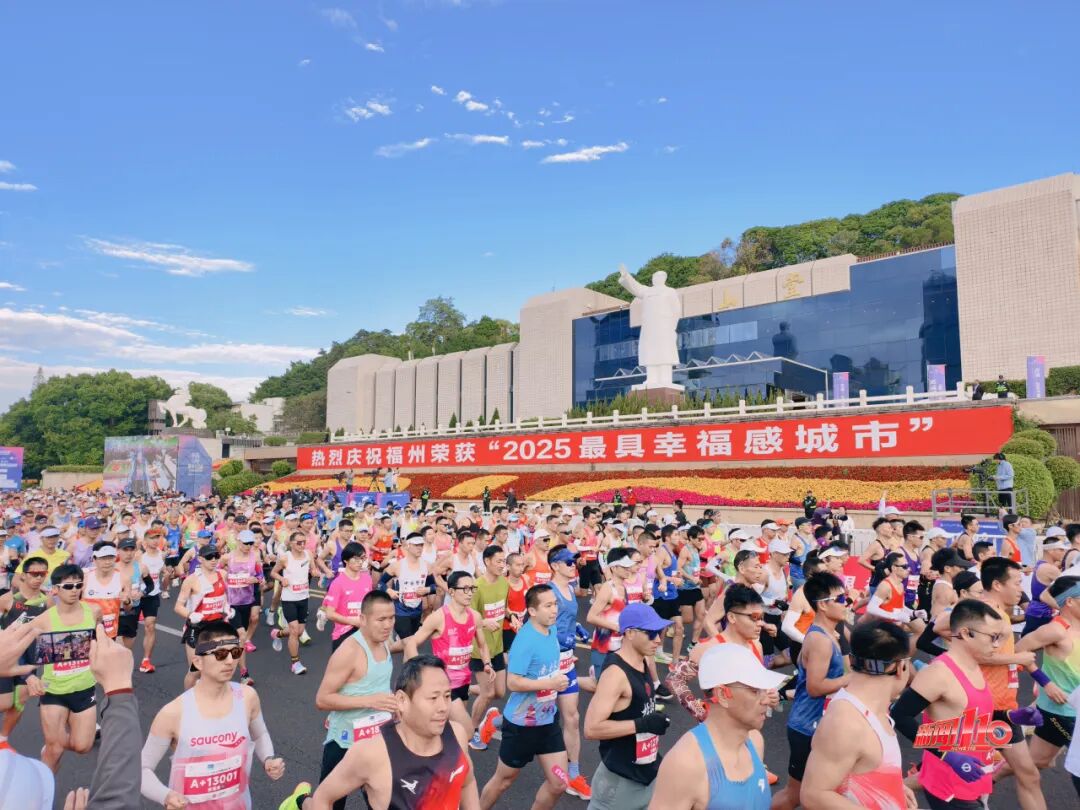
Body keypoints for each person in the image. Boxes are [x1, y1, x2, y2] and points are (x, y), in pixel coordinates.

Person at [283, 655, 480, 810]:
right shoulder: (372, 753)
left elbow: (467, 782)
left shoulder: (457, 735)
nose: (443, 707)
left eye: (447, 696)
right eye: (433, 698)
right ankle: (300, 801)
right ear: (402, 701)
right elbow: (323, 798)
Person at [141, 620, 285, 807]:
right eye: (220, 654)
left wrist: (268, 759)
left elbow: (260, 735)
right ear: (198, 662)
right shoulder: (173, 713)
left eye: (235, 653)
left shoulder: (247, 697)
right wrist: (166, 796)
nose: (230, 661)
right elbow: (142, 769)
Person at [891, 599, 1005, 810]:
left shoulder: (972, 666)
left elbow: (971, 716)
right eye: (993, 637)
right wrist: (947, 755)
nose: (997, 645)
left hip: (974, 776)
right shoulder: (940, 673)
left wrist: (1012, 717)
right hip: (949, 783)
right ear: (965, 633)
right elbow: (900, 715)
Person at [648, 642, 784, 810]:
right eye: (755, 690)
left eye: (765, 689)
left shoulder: (755, 741)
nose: (766, 699)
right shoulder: (686, 764)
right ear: (722, 695)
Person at [800, 619, 915, 809]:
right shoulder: (846, 722)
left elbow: (862, 768)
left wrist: (895, 786)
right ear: (900, 668)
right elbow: (813, 794)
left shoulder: (871, 708)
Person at [479, 585, 569, 810]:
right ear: (532, 611)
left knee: (558, 783)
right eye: (548, 606)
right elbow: (513, 682)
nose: (554, 610)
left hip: (548, 721)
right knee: (503, 781)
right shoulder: (525, 641)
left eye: (555, 604)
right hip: (521, 726)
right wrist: (550, 683)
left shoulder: (551, 629)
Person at [314, 590, 404, 810]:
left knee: (384, 803)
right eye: (381, 619)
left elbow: (378, 684)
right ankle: (300, 801)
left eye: (391, 618)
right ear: (363, 619)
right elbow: (322, 699)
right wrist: (370, 701)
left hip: (377, 739)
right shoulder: (349, 651)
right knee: (328, 803)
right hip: (345, 741)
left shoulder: (384, 640)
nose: (388, 625)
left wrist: (393, 706)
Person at [773, 573, 851, 810]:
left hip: (821, 724)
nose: (846, 603)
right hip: (807, 726)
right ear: (823, 605)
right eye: (841, 599)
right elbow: (815, 687)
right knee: (795, 795)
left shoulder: (831, 634)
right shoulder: (820, 640)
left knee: (818, 794)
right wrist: (851, 679)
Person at [583, 603, 672, 810]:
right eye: (651, 634)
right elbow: (591, 728)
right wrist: (643, 724)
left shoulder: (642, 662)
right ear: (630, 633)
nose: (658, 640)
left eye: (659, 632)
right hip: (619, 784)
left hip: (644, 776)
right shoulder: (616, 674)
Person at [977, 556, 1045, 810]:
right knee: (961, 773)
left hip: (1005, 708)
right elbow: (976, 654)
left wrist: (1018, 665)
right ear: (997, 584)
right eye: (1016, 583)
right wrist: (1017, 658)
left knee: (1028, 774)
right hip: (983, 708)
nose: (1021, 589)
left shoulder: (1000, 614)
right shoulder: (984, 613)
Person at [30, 563, 102, 772]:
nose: (74, 590)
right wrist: (29, 676)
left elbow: (102, 641)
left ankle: (53, 744)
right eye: (68, 586)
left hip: (84, 688)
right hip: (54, 691)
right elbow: (21, 649)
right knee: (54, 751)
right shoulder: (43, 620)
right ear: (55, 589)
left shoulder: (94, 611)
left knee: (83, 746)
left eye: (78, 585)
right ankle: (44, 789)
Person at [405, 570, 493, 737]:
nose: (470, 593)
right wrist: (420, 672)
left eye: (472, 588)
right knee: (466, 732)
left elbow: (482, 646)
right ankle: (489, 724)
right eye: (465, 589)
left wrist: (487, 663)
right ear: (451, 591)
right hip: (444, 684)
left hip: (464, 681)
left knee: (452, 731)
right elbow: (412, 643)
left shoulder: (475, 617)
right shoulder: (439, 617)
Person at [1015, 575, 1080, 771]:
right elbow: (1018, 651)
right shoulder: (1055, 630)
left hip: (1068, 710)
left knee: (1038, 761)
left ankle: (991, 777)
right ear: (1070, 601)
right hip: (1064, 710)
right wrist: (1046, 683)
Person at [547, 544, 594, 799]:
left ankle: (573, 774)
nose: (573, 565)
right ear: (555, 566)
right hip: (546, 665)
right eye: (568, 562)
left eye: (573, 562)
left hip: (566, 662)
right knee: (529, 719)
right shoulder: (548, 592)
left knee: (572, 717)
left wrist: (576, 628)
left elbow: (565, 618)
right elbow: (537, 625)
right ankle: (495, 721)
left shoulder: (570, 589)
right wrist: (557, 638)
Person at [0, 555, 49, 747]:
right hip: (7, 656)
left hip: (30, 656)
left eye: (42, 574)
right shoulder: (8, 599)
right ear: (23, 575)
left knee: (20, 699)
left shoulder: (48, 601)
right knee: (4, 703)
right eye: (34, 574)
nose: (38, 578)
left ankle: (3, 740)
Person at [469, 544, 510, 751]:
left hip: (497, 646)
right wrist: (484, 623)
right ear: (487, 561)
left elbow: (504, 607)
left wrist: (512, 616)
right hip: (479, 649)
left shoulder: (504, 582)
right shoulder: (477, 587)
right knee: (487, 693)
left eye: (504, 561)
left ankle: (466, 689)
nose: (503, 565)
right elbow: (468, 617)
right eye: (499, 561)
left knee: (500, 692)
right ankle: (472, 731)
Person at [176, 542, 231, 689]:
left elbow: (225, 596)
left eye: (216, 556)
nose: (214, 560)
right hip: (197, 628)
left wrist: (227, 608)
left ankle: (212, 697)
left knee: (218, 668)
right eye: (209, 557)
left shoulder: (223, 574)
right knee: (195, 671)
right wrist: (191, 614)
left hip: (217, 627)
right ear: (200, 559)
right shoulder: (191, 580)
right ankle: (189, 699)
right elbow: (178, 607)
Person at [271, 531, 320, 675]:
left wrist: (315, 571)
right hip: (289, 599)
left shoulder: (308, 554)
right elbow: (273, 572)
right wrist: (282, 579)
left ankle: (278, 633)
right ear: (291, 543)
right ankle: (295, 663)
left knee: (299, 631)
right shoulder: (285, 558)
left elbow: (313, 568)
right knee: (294, 630)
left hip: (303, 597)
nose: (302, 545)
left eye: (304, 542)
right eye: (299, 542)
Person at [321, 542, 374, 651]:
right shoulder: (337, 583)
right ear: (346, 560)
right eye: (356, 559)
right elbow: (330, 614)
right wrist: (353, 621)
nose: (360, 562)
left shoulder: (367, 579)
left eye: (362, 558)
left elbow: (369, 604)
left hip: (364, 632)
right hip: (344, 633)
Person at [381, 533, 434, 640]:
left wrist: (427, 590)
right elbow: (380, 583)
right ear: (408, 545)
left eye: (421, 545)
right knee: (408, 640)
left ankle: (397, 644)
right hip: (400, 611)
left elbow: (434, 586)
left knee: (410, 640)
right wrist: (388, 590)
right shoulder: (397, 566)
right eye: (416, 545)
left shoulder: (427, 566)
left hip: (417, 610)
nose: (419, 548)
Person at [1023, 529, 1069, 637]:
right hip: (1042, 613)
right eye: (1061, 550)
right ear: (1051, 550)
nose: (1064, 552)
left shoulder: (1041, 563)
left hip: (1036, 611)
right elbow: (1070, 584)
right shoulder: (1049, 568)